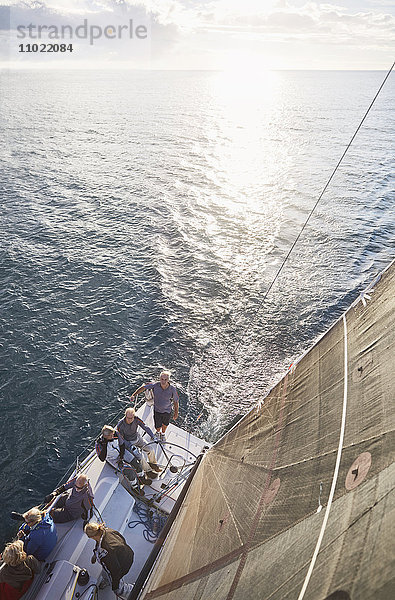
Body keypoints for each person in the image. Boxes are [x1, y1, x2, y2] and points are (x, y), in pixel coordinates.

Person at [84, 522, 134, 600]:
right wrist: (95, 555)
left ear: (92, 536)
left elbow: (115, 570)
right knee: (105, 572)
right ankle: (107, 580)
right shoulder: (106, 531)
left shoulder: (106, 552)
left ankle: (135, 590)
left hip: (122, 565)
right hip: (127, 554)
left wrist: (115, 586)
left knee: (119, 590)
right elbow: (121, 539)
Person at [131, 370, 179, 440]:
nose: (163, 381)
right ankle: (157, 432)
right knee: (157, 425)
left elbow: (176, 401)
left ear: (168, 380)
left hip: (167, 411)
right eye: (162, 379)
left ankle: (162, 434)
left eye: (165, 379)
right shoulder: (155, 385)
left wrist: (176, 413)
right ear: (160, 379)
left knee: (165, 424)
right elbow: (144, 387)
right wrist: (134, 395)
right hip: (157, 410)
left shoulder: (172, 389)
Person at [116, 408, 161, 474]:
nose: (129, 420)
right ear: (125, 416)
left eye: (131, 418)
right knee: (141, 457)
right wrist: (130, 446)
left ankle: (153, 464)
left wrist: (153, 436)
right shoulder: (120, 425)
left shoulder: (136, 419)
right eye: (128, 418)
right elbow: (121, 439)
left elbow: (145, 426)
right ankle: (148, 470)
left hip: (138, 438)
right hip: (129, 443)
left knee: (151, 450)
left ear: (134, 416)